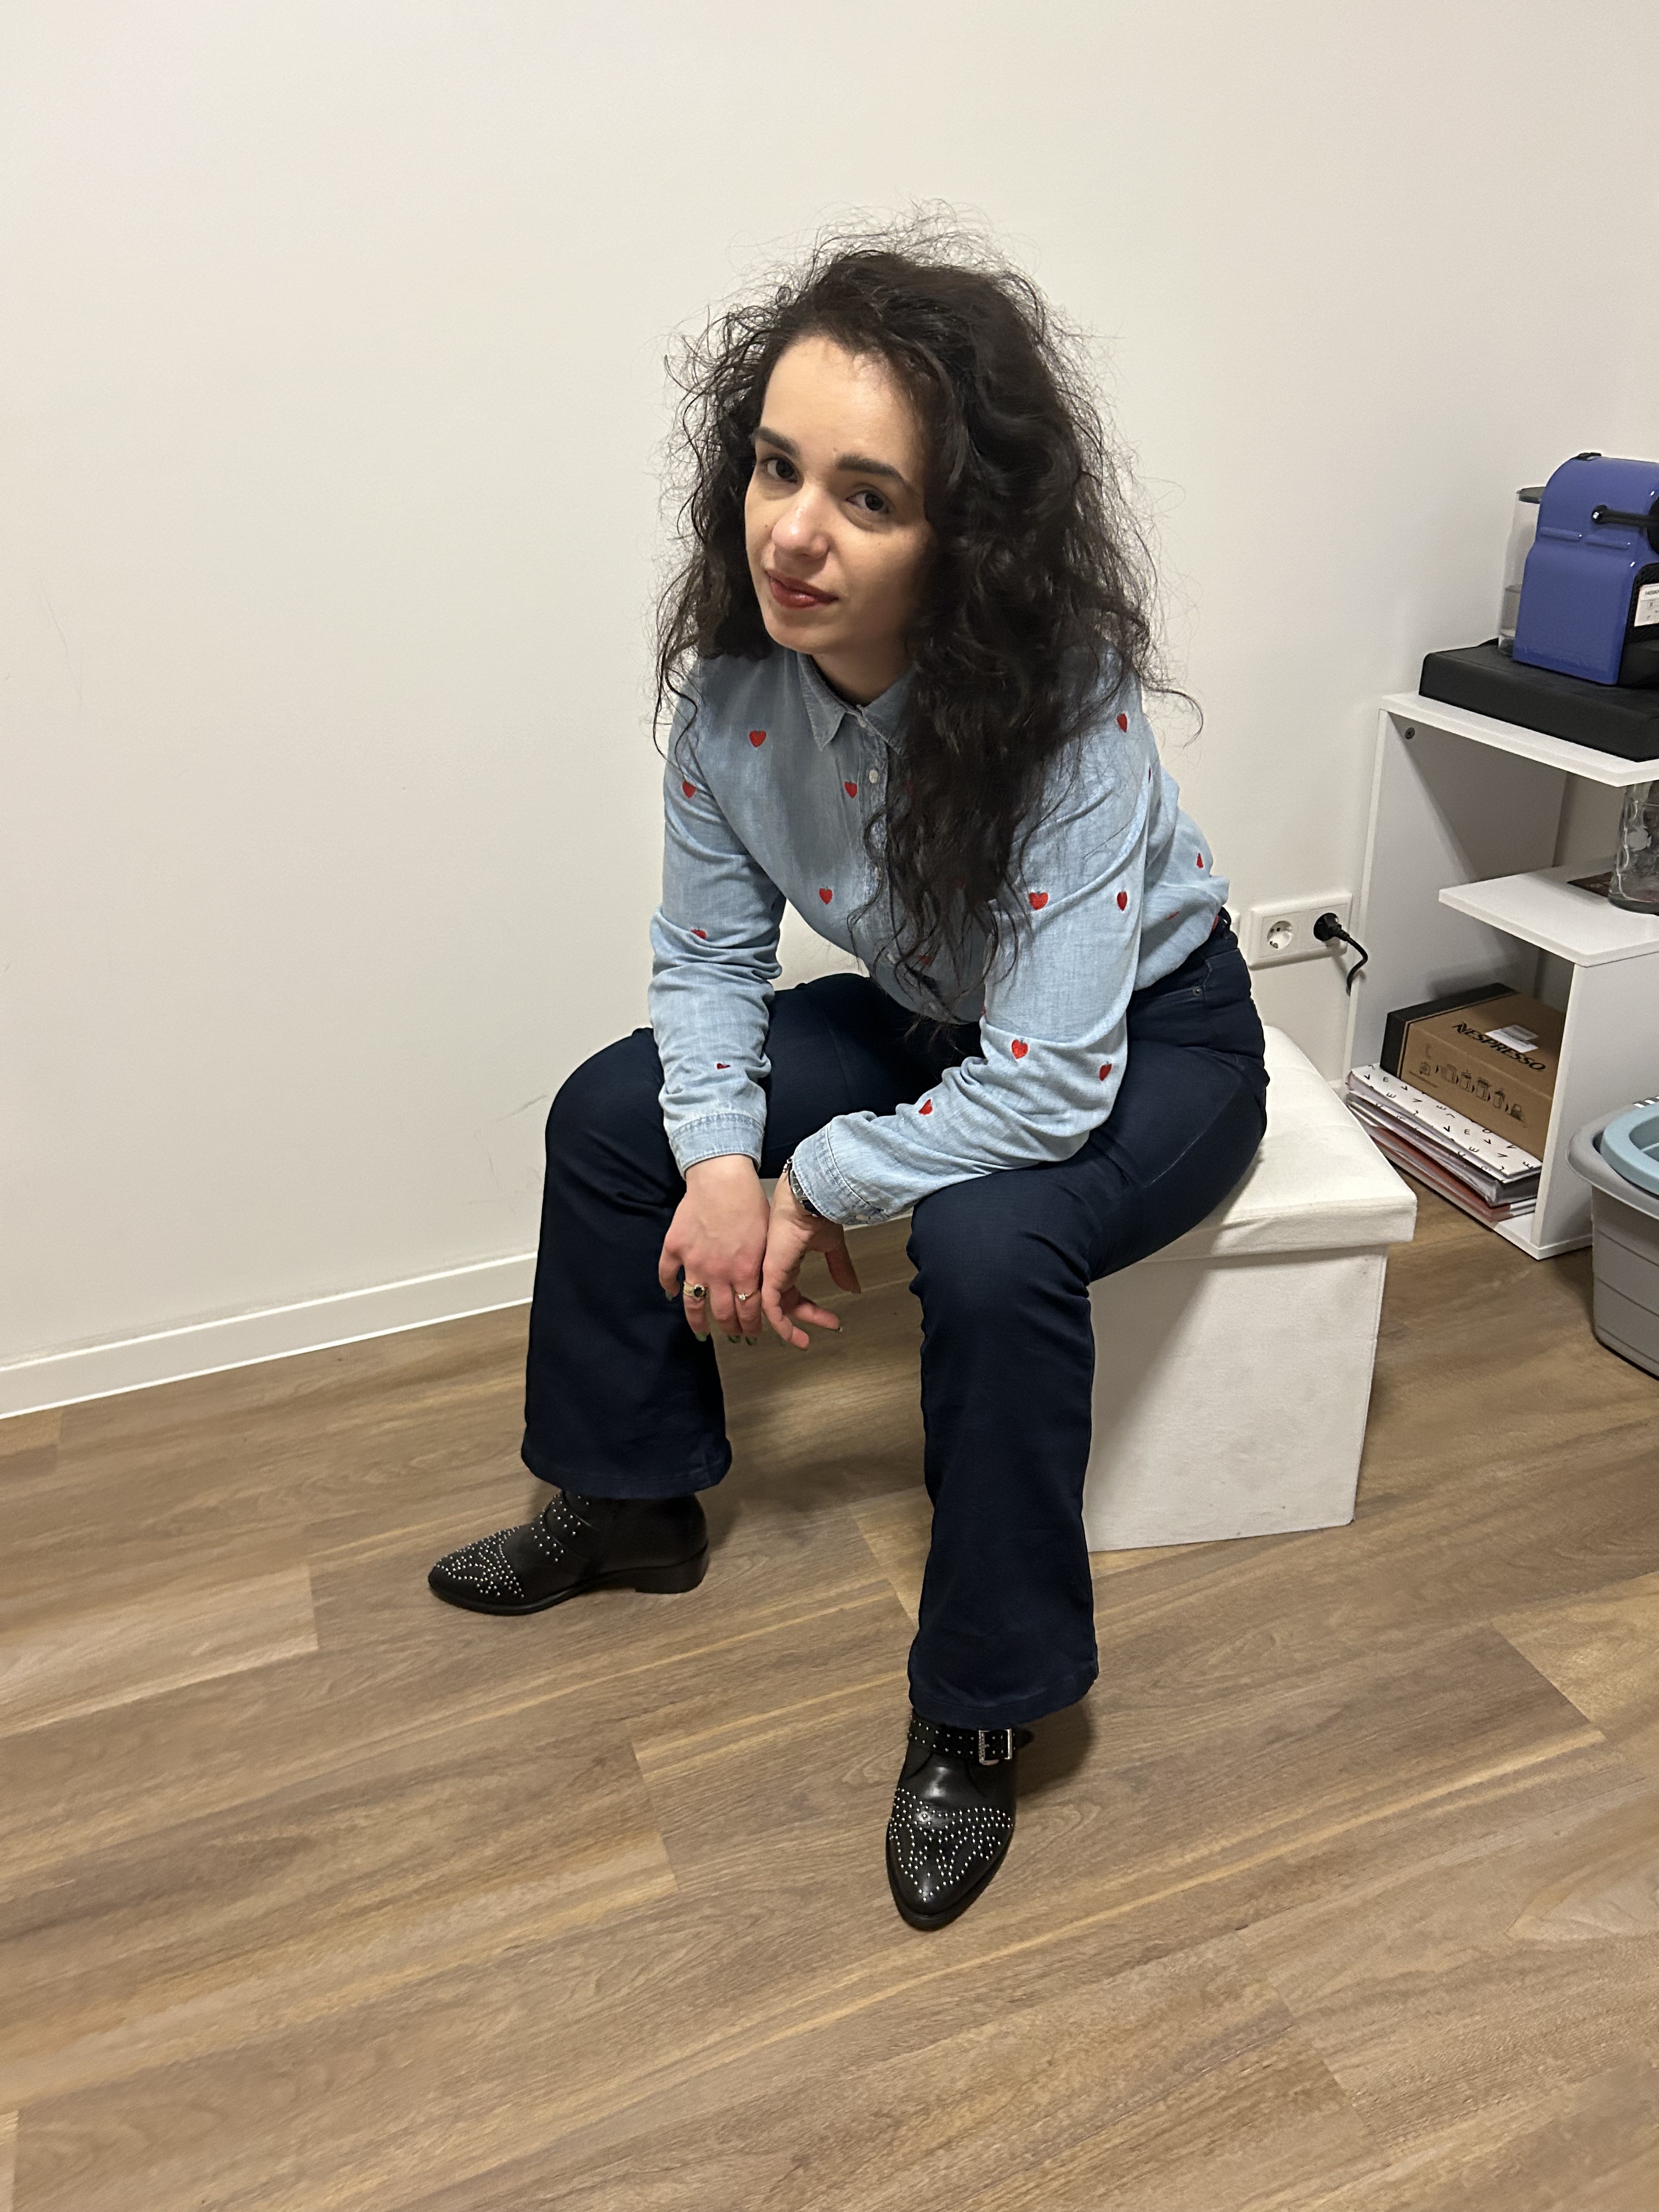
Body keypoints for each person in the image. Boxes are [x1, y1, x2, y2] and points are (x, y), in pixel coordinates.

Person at [428, 220, 1269, 1931]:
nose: (793, 531)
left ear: (969, 539)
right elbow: (709, 961)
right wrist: (726, 1167)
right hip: (936, 1013)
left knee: (986, 1244)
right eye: (775, 467)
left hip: (1147, 1039)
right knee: (616, 1116)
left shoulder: (1069, 712)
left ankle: (984, 1700)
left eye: (868, 496)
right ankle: (627, 1499)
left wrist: (814, 1189)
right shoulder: (736, 694)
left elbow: (1044, 1089)